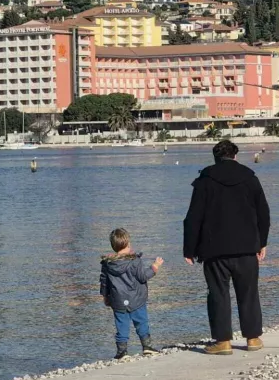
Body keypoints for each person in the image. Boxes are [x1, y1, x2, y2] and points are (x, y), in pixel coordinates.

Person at [183, 140, 270, 355]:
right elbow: (263, 213)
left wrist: (189, 249)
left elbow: (193, 217)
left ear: (215, 158)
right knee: (249, 293)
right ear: (235, 156)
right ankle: (253, 338)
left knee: (218, 294)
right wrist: (262, 242)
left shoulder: (205, 180)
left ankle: (223, 342)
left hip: (214, 249)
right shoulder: (250, 178)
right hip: (247, 247)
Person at [100, 228, 163, 359]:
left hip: (118, 300)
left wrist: (105, 296)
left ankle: (122, 352)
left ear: (113, 246)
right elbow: (143, 277)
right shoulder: (134, 260)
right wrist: (155, 267)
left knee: (121, 325)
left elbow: (104, 281)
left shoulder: (108, 264)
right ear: (128, 243)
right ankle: (147, 346)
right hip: (136, 299)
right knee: (141, 322)